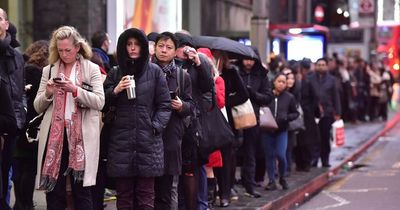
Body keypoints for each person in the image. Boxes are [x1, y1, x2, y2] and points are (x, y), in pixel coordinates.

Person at [34, 26, 104, 210]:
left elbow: (100, 102)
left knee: (82, 191)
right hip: (55, 137)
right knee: (54, 192)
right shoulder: (49, 70)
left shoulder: (92, 69)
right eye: (60, 50)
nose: (64, 54)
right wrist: (48, 93)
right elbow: (37, 106)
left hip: (81, 136)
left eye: (68, 50)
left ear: (78, 47)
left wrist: (75, 90)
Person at [103, 28, 171, 210]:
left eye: (136, 44)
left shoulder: (155, 72)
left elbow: (165, 105)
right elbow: (101, 102)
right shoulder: (115, 72)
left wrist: (155, 126)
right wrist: (116, 90)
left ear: (143, 47)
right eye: (128, 44)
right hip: (121, 142)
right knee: (123, 196)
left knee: (146, 195)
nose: (132, 48)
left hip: (148, 142)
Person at [152, 32, 194, 210]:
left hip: (171, 136)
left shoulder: (182, 76)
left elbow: (192, 106)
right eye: (161, 46)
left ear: (176, 51)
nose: (164, 50)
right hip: (149, 133)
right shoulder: (144, 71)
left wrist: (181, 105)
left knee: (167, 188)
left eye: (168, 47)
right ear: (154, 48)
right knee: (147, 188)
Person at [174, 32, 214, 210]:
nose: (184, 50)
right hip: (174, 121)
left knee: (194, 168)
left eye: (187, 46)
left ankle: (200, 205)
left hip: (194, 123)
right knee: (178, 170)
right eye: (181, 46)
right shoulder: (168, 65)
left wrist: (198, 62)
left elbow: (207, 86)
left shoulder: (198, 64)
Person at [13, 40, 49, 210]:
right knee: (29, 167)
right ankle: (25, 203)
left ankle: (20, 202)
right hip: (32, 126)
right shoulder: (38, 73)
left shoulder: (22, 68)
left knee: (19, 165)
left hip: (19, 122)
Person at [212, 50, 249, 207]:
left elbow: (243, 94)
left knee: (226, 159)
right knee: (212, 159)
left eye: (217, 55)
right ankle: (212, 192)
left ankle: (225, 194)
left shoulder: (231, 72)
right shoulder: (204, 70)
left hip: (228, 122)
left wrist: (225, 101)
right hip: (210, 121)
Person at [238, 47, 272, 198]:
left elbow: (267, 97)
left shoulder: (261, 75)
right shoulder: (235, 71)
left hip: (253, 117)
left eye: (251, 59)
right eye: (246, 59)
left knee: (250, 153)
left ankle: (249, 185)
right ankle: (231, 185)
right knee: (233, 152)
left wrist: (253, 94)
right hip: (235, 115)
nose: (248, 62)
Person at [0, 8, 25, 210]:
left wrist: (21, 113)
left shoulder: (17, 56)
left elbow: (20, 90)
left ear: (6, 24)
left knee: (6, 177)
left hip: (12, 126)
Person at [263, 73, 299, 191]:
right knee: (269, 156)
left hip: (282, 130)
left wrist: (286, 117)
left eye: (284, 82)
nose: (281, 84)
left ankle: (282, 177)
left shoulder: (289, 97)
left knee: (281, 155)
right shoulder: (268, 96)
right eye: (279, 81)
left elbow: (296, 113)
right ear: (274, 82)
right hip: (267, 130)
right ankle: (272, 180)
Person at [312, 58, 341, 167]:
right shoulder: (310, 79)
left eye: (323, 65)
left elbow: (336, 96)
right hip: (313, 113)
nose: (321, 67)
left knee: (325, 137)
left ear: (326, 66)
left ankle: (325, 160)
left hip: (327, 113)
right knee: (314, 137)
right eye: (319, 65)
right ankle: (314, 159)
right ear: (316, 66)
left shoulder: (331, 80)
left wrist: (338, 112)